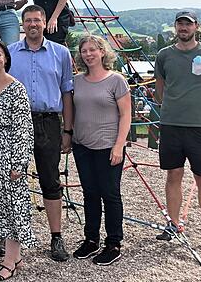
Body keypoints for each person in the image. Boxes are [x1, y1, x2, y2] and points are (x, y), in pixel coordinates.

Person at [154, 11, 201, 255]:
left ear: (195, 26)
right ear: (175, 27)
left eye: (188, 23)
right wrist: (174, 109)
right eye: (180, 23)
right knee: (173, 175)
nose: (184, 27)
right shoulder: (164, 55)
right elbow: (160, 90)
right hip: (172, 124)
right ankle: (173, 224)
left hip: (200, 126)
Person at [7, 5, 74, 262]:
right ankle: (10, 233)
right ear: (22, 24)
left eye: (37, 20)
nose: (33, 25)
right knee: (12, 179)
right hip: (18, 121)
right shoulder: (10, 53)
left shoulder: (61, 53)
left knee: (50, 178)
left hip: (48, 122)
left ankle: (56, 236)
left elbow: (67, 93)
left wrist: (67, 130)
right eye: (28, 21)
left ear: (44, 23)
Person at [0, 39, 36, 281]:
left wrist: (19, 163)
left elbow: (23, 128)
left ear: (6, 58)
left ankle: (9, 262)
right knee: (0, 205)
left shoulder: (16, 89)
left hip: (8, 155)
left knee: (12, 208)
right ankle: (16, 256)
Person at [71, 35, 131, 266]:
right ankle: (91, 238)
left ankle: (114, 242)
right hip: (83, 144)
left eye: (92, 50)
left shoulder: (116, 81)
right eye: (84, 51)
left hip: (108, 145)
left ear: (102, 52)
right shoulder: (77, 81)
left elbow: (126, 114)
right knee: (90, 193)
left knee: (110, 194)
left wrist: (119, 144)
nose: (88, 54)